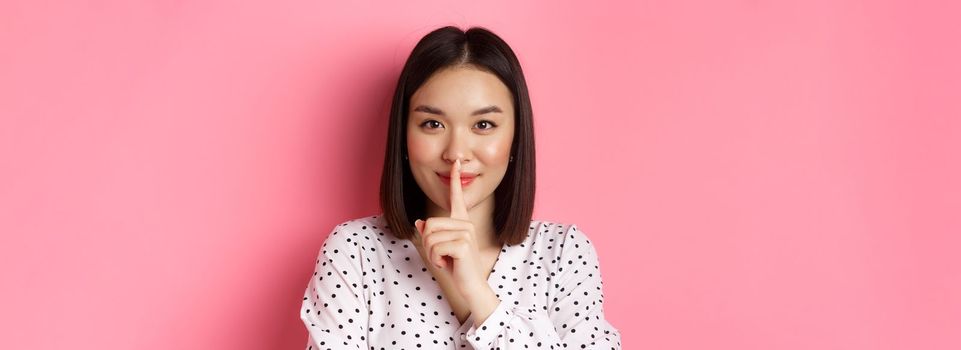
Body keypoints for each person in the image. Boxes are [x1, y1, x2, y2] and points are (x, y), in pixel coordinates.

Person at [300, 25, 621, 349]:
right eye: (432, 124)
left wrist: (478, 296)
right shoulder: (356, 251)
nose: (456, 152)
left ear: (515, 138)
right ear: (404, 137)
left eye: (483, 125)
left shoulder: (562, 252)